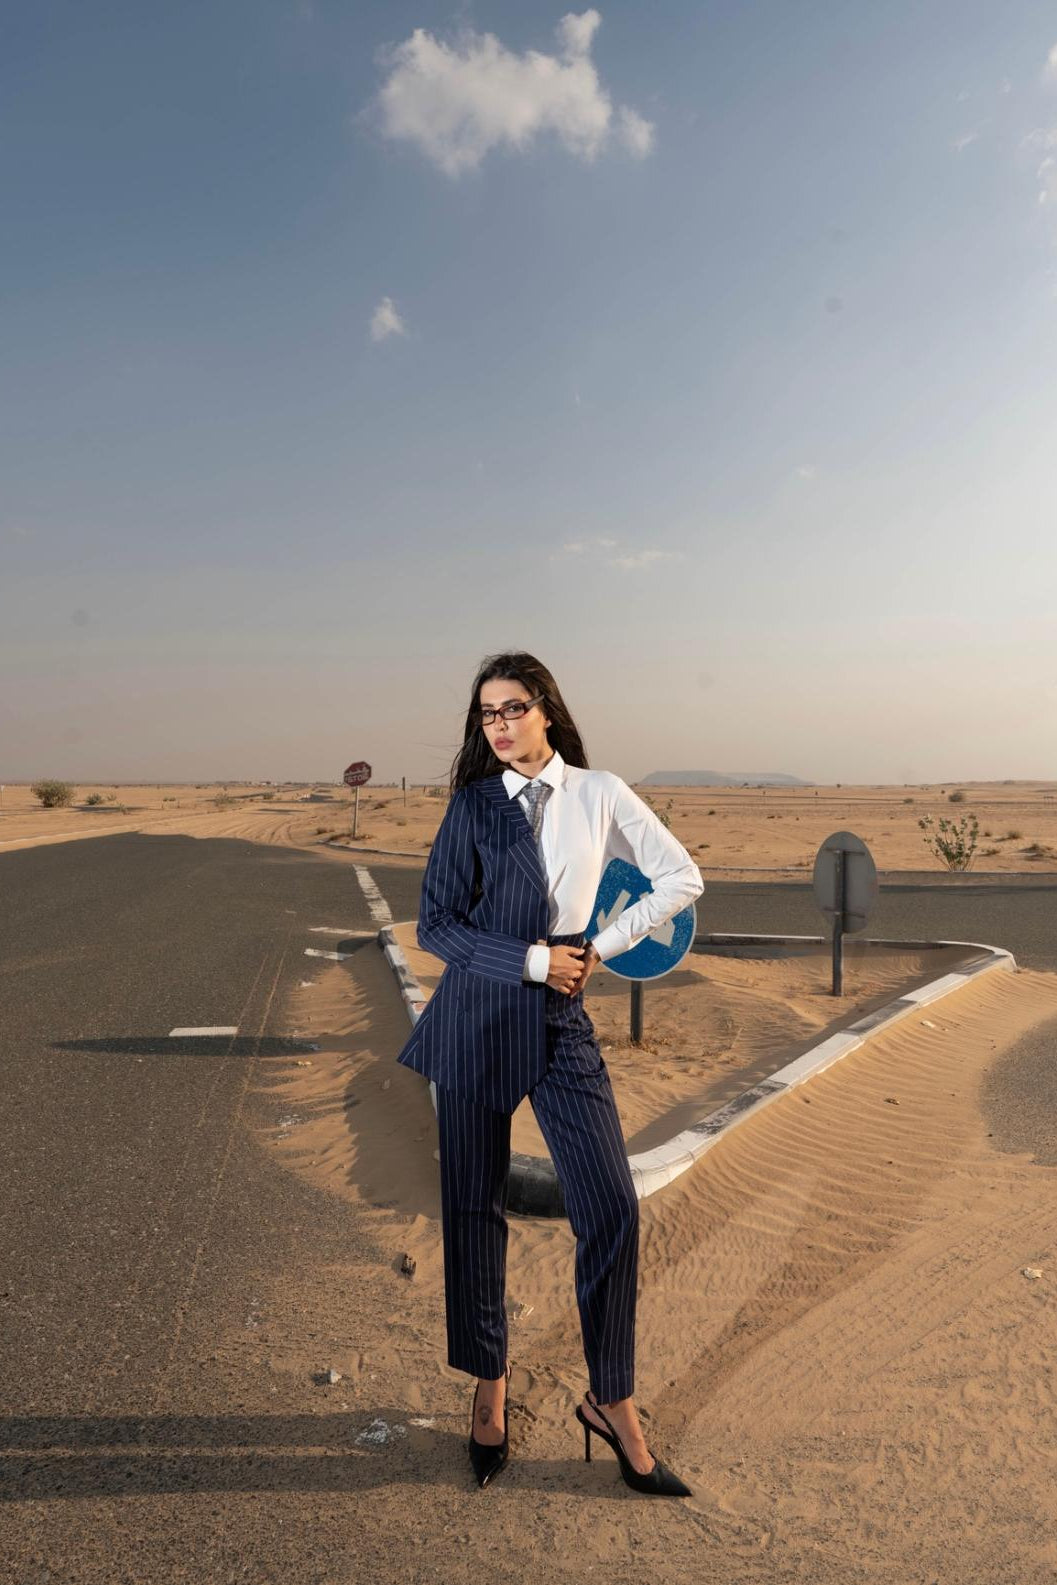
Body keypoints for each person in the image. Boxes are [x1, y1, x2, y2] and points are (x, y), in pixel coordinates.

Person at [395, 651, 704, 1493]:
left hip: (562, 1024)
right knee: (474, 1207)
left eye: (512, 708)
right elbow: (437, 924)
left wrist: (595, 948)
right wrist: (534, 959)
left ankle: (611, 1399)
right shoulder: (472, 806)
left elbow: (682, 877)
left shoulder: (599, 793)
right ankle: (489, 1383)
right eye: (485, 714)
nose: (498, 725)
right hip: (474, 1018)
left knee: (609, 1206)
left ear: (546, 712)